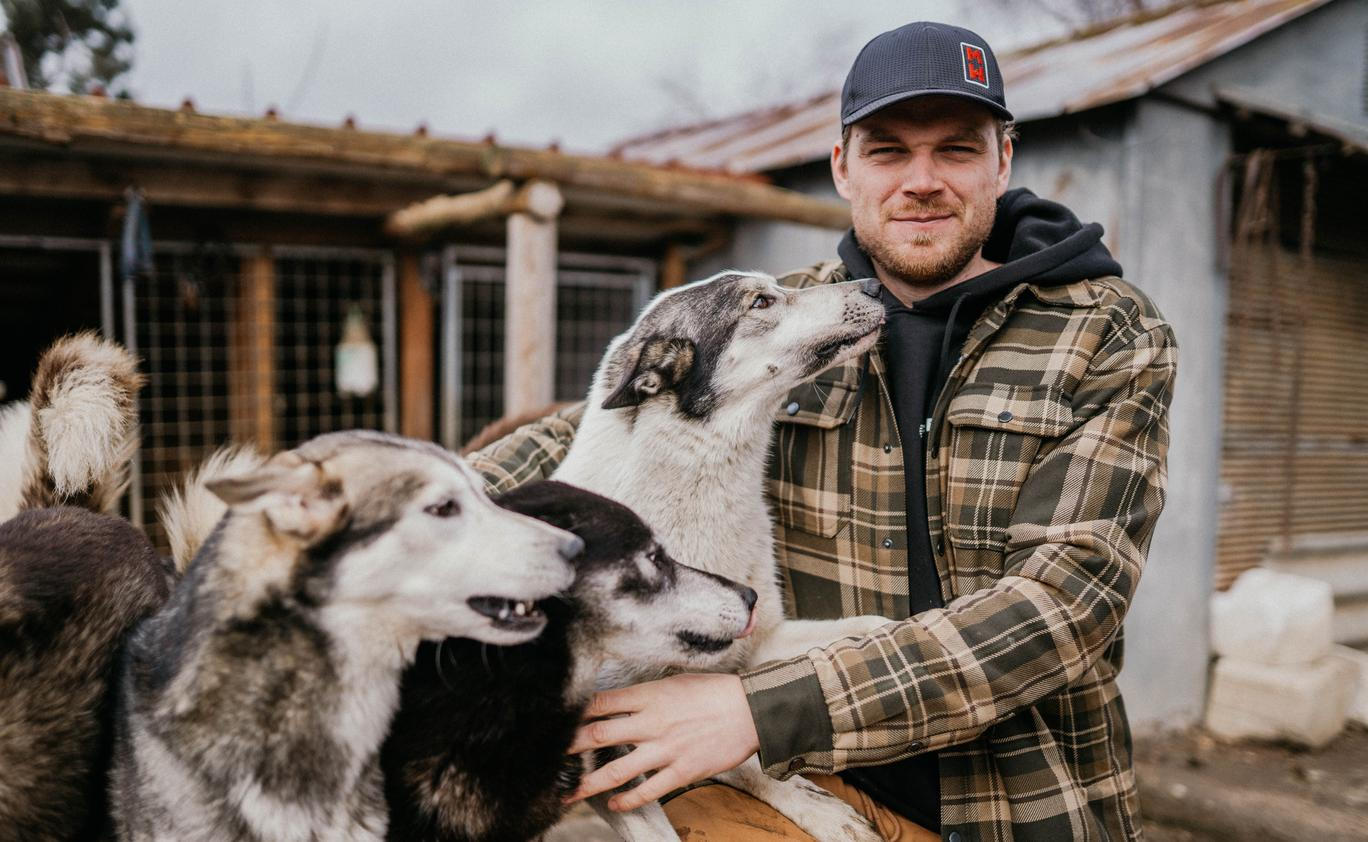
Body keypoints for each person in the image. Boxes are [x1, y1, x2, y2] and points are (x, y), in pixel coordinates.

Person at [468, 21, 1175, 842]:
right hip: (789, 788)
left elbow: (1062, 607)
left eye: (956, 149)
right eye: (886, 151)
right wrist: (369, 510)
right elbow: (590, 431)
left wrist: (761, 709)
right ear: (843, 166)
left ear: (1003, 160)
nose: (922, 181)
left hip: (1015, 807)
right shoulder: (791, 319)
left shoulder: (1107, 335)